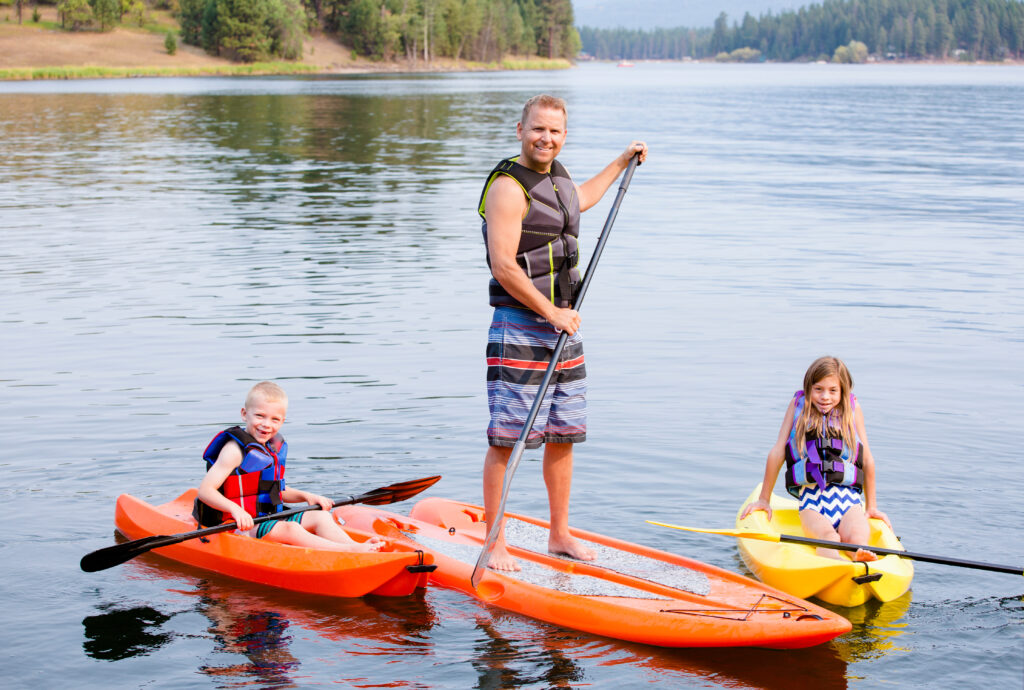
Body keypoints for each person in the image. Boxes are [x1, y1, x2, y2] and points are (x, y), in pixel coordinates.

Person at [479, 93, 648, 571]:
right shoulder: (508, 188)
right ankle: (495, 542)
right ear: (520, 129)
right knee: (507, 440)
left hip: (563, 325)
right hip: (522, 326)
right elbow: (504, 266)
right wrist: (551, 312)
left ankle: (558, 534)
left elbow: (583, 200)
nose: (546, 138)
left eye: (555, 131)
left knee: (562, 434)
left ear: (564, 135)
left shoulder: (559, 175)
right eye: (538, 129)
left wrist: (620, 163)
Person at [194, 381, 383, 552]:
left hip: (268, 517)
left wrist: (306, 496)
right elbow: (205, 491)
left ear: (282, 421)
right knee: (291, 529)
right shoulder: (234, 451)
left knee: (321, 516)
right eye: (260, 416)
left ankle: (356, 547)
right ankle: (349, 552)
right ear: (245, 414)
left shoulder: (272, 447)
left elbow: (275, 491)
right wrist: (236, 510)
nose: (266, 424)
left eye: (274, 419)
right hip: (239, 524)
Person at [740, 356, 890, 561]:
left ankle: (858, 553)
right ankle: (833, 562)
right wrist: (764, 499)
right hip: (812, 502)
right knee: (827, 537)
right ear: (809, 387)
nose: (825, 397)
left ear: (843, 390)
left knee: (857, 535)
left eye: (832, 390)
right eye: (818, 389)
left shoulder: (852, 410)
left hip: (850, 501)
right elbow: (777, 452)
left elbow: (867, 458)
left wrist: (871, 506)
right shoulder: (797, 406)